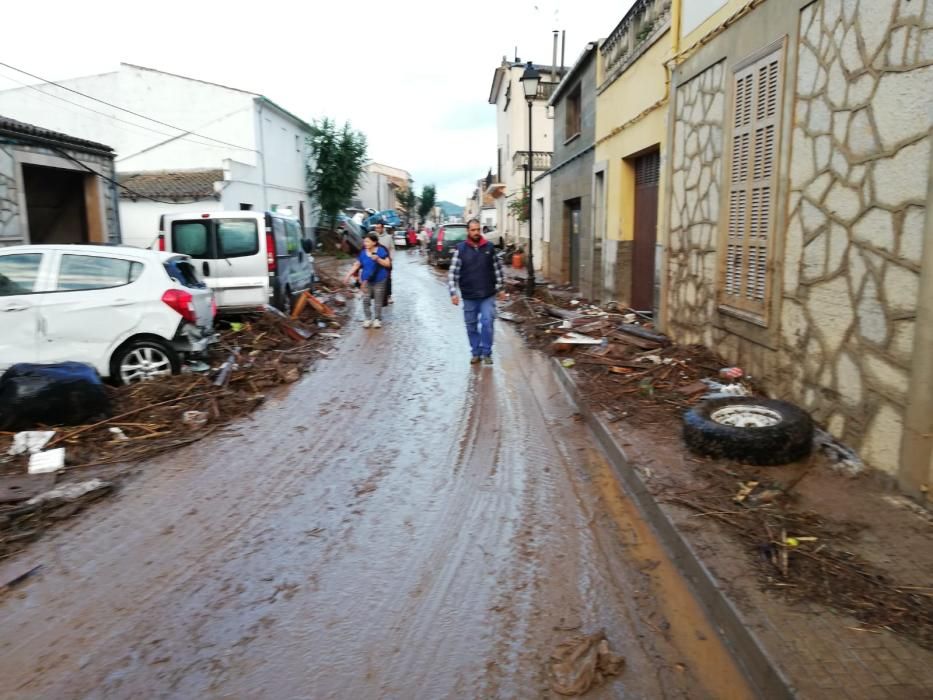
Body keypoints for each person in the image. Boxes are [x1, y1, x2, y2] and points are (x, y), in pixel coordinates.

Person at [448, 218, 506, 365]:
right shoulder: (460, 249)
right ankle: (475, 352)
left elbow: (497, 269)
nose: (476, 232)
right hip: (469, 296)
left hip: (487, 294)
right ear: (468, 231)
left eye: (478, 230)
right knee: (471, 325)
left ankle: (487, 352)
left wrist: (501, 288)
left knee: (487, 322)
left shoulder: (489, 247)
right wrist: (453, 293)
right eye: (473, 230)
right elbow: (453, 272)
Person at [344, 233, 391, 328]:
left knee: (378, 300)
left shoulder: (381, 251)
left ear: (374, 242)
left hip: (380, 279)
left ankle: (377, 319)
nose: (365, 243)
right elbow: (357, 264)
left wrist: (378, 259)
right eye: (364, 241)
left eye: (367, 241)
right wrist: (348, 275)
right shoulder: (363, 252)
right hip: (366, 280)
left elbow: (388, 264)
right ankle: (368, 319)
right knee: (366, 299)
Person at [374, 221, 395, 304]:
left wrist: (391, 259)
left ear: (383, 228)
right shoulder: (374, 237)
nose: (377, 229)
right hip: (376, 261)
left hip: (386, 261)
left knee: (388, 278)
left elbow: (392, 249)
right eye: (376, 228)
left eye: (378, 227)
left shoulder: (388, 237)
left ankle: (389, 296)